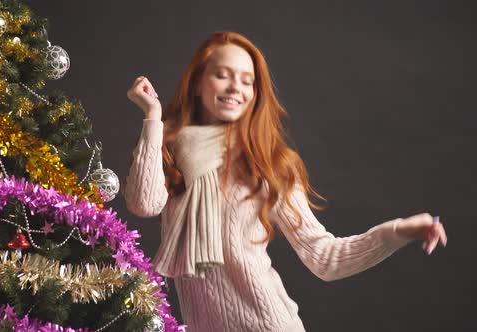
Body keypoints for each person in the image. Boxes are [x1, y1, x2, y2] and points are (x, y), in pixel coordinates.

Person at [123, 31, 447, 332]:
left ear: (254, 94)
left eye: (247, 81)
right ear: (197, 82)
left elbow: (324, 257)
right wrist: (153, 117)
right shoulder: (168, 149)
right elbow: (144, 202)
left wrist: (397, 232)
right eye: (223, 75)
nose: (236, 87)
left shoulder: (269, 164)